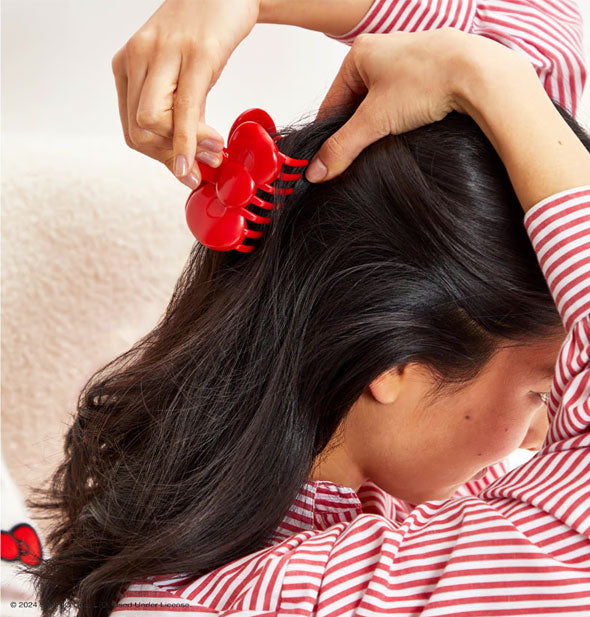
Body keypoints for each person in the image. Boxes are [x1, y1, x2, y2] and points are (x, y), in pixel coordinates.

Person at [21, 2, 590, 617]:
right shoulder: (306, 596)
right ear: (395, 364)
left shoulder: (291, 539)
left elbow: (534, 39)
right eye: (539, 392)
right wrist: (486, 81)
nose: (543, 435)